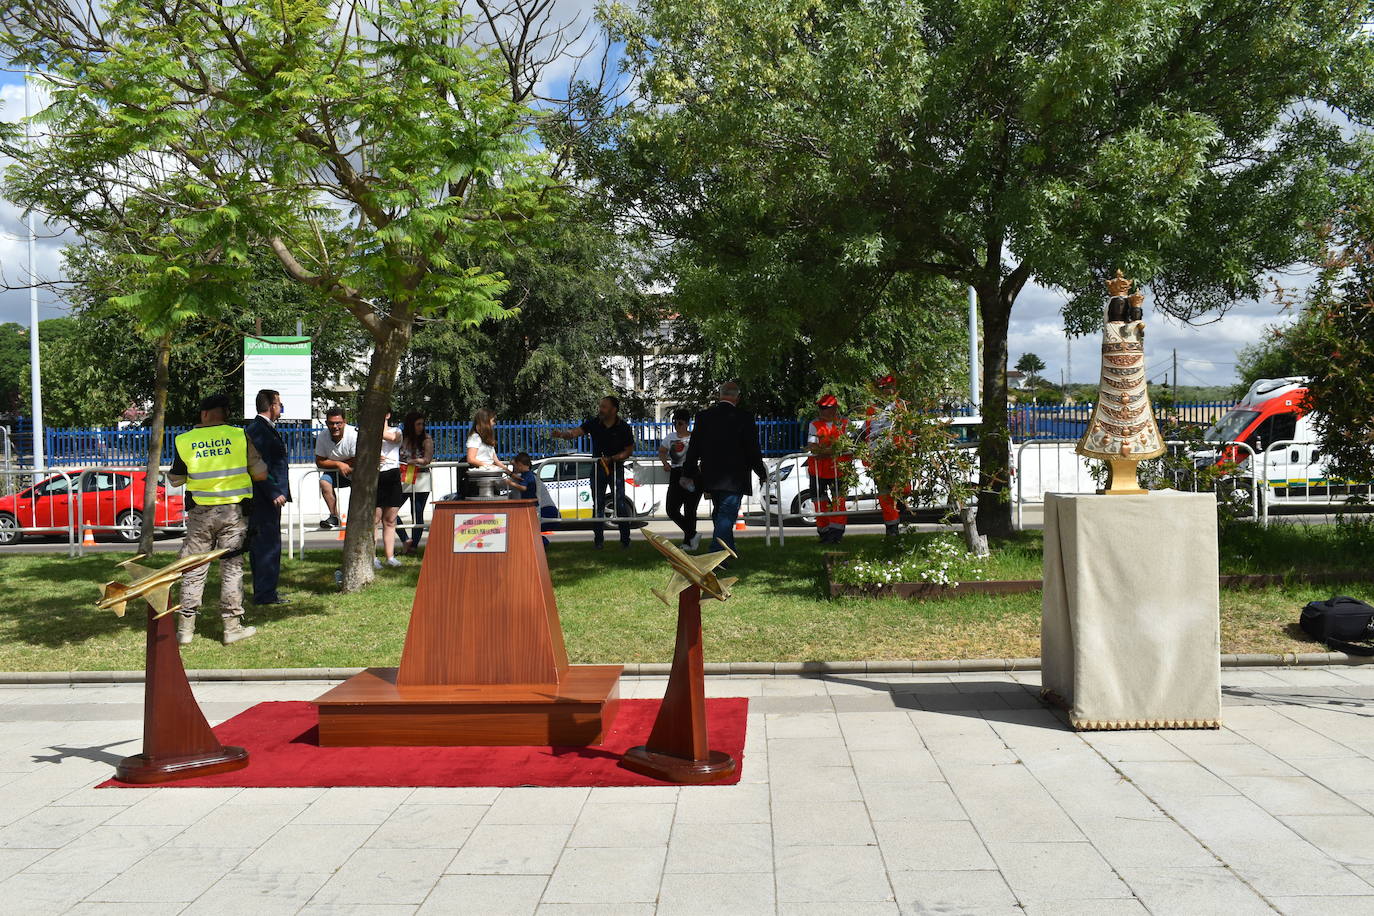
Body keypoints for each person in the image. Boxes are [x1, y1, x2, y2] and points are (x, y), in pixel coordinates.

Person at [168, 393, 268, 646]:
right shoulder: (239, 436)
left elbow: (176, 479)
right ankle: (231, 627)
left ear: (203, 414)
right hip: (233, 513)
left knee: (193, 567)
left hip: (200, 514)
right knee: (232, 568)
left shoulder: (185, 440)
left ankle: (185, 630)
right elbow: (260, 473)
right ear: (225, 413)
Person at [681, 381, 767, 558]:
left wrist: (688, 472)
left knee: (721, 513)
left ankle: (729, 550)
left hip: (711, 475)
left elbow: (694, 447)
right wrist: (761, 472)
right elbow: (752, 449)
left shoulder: (704, 416)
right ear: (738, 398)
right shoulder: (745, 417)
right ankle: (715, 555)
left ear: (719, 395)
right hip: (735, 476)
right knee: (726, 516)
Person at [553, 397, 635, 549]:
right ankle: (598, 541)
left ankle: (625, 541)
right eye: (600, 406)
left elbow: (629, 450)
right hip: (598, 469)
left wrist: (613, 459)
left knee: (620, 504)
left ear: (614, 410)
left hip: (616, 468)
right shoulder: (594, 423)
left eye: (604, 407)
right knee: (598, 504)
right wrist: (561, 434)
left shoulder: (623, 427)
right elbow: (574, 433)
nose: (600, 409)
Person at [245, 388, 291, 605]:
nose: (281, 407)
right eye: (279, 403)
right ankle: (264, 594)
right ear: (272, 405)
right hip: (264, 498)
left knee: (268, 543)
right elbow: (258, 466)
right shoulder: (259, 430)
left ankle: (267, 591)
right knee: (266, 545)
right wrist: (273, 491)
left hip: (268, 496)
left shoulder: (264, 428)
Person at [865, 374, 907, 537]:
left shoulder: (899, 405)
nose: (887, 391)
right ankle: (892, 528)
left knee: (901, 489)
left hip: (897, 455)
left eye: (890, 387)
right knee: (884, 493)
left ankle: (900, 516)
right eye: (883, 388)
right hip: (878, 456)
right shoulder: (871, 409)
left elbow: (907, 428)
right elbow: (867, 432)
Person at [808, 394, 851, 544]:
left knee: (838, 503)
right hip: (818, 470)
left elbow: (848, 446)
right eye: (821, 407)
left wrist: (824, 450)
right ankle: (824, 533)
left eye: (825, 407)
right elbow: (813, 447)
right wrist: (832, 450)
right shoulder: (814, 424)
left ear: (835, 408)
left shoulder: (845, 423)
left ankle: (836, 535)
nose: (822, 411)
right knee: (819, 503)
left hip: (839, 470)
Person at [659, 408, 702, 549]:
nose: (678, 426)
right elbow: (662, 451)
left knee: (690, 509)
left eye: (681, 423)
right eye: (675, 423)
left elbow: (703, 454)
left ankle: (689, 542)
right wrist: (665, 463)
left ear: (687, 423)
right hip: (676, 472)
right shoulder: (670, 437)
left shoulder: (695, 437)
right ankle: (692, 534)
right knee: (671, 509)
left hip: (692, 473)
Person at [398, 409, 434, 555]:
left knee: (417, 513)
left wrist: (414, 461)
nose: (420, 427)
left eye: (422, 424)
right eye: (417, 424)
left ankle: (413, 547)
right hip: (403, 477)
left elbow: (427, 459)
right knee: (390, 511)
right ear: (410, 425)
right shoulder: (402, 438)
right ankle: (406, 539)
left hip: (421, 478)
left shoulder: (426, 439)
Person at [505, 452, 560, 546]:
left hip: (545, 512)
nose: (514, 469)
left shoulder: (525, 478)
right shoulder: (529, 477)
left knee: (524, 528)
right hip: (547, 511)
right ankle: (540, 543)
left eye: (515, 466)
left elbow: (517, 495)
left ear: (520, 465)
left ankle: (541, 543)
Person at [315, 408, 357, 529]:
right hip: (335, 472)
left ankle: (356, 516)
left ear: (344, 421)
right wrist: (339, 465)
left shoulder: (353, 434)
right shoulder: (322, 436)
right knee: (324, 482)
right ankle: (334, 516)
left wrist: (342, 464)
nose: (335, 426)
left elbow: (358, 459)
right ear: (326, 423)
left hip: (355, 471)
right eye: (331, 423)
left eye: (338, 423)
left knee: (358, 486)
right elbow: (319, 461)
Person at [375, 409, 405, 568]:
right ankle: (372, 557)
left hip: (392, 474)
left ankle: (390, 557)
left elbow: (393, 438)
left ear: (387, 415)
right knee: (374, 519)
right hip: (375, 475)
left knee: (390, 519)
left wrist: (374, 430)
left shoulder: (396, 431)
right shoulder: (368, 431)